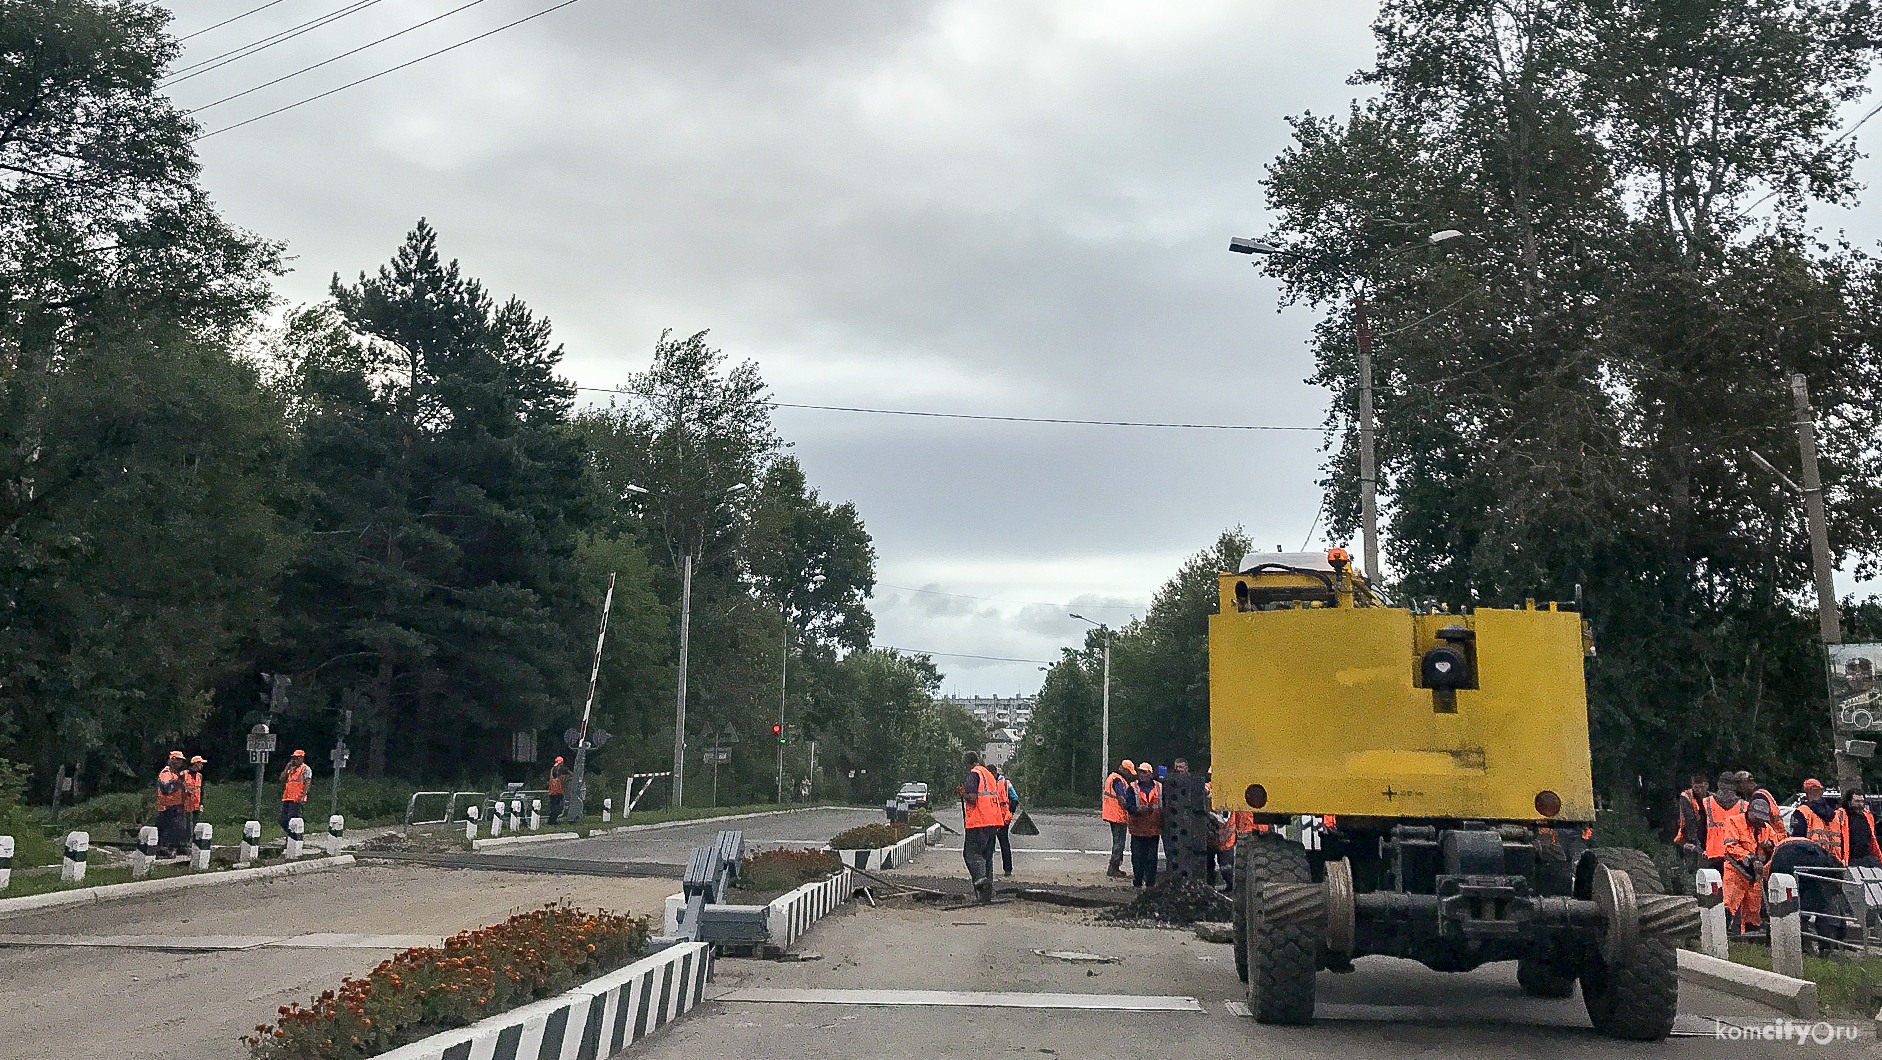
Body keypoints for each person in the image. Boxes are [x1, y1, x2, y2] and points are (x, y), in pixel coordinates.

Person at [1768, 833, 1851, 952]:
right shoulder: (1817, 851)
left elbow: (1769, 877)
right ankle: (1826, 945)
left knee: (1790, 906)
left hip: (1785, 859)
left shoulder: (1776, 854)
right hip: (1814, 859)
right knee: (1823, 905)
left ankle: (1794, 944)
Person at [958, 751, 1004, 903]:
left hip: (978, 822)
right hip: (993, 821)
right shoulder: (988, 774)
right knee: (987, 857)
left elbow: (972, 799)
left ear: (967, 763)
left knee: (971, 854)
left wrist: (962, 793)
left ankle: (981, 882)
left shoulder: (973, 774)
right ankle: (986, 895)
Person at [1716, 801, 1765, 933]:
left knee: (1753, 909)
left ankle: (1750, 941)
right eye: (1758, 819)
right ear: (1750, 814)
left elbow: (1775, 843)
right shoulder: (1734, 822)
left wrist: (1769, 845)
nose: (1760, 823)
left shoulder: (1765, 827)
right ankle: (1723, 934)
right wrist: (1750, 857)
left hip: (1755, 876)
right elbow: (1731, 846)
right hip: (1736, 869)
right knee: (1729, 903)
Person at [1123, 760, 1163, 889]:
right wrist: (1136, 810)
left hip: (1153, 829)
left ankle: (1150, 883)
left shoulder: (1159, 787)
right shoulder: (1132, 787)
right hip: (1138, 829)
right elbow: (1128, 805)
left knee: (1151, 858)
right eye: (1140, 772)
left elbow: (1165, 805)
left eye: (1144, 772)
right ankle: (1138, 881)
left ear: (1150, 774)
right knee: (1138, 858)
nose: (1142, 775)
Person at [1790, 777, 1848, 863]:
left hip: (1812, 861)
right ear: (1821, 791)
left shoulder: (1802, 812)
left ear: (1806, 792)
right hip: (1835, 862)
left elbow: (1796, 841)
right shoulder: (1835, 814)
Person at [1702, 771, 1743, 872]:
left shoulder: (1706, 803)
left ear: (1719, 785)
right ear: (1734, 787)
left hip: (1712, 854)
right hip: (1735, 856)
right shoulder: (1744, 806)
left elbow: (1700, 829)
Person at [1102, 759, 1134, 879]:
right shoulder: (1118, 780)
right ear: (1124, 770)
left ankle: (1114, 867)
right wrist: (1131, 809)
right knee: (1119, 842)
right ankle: (1113, 867)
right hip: (1117, 816)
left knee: (1118, 842)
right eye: (1129, 772)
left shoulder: (1114, 777)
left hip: (1114, 815)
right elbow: (1121, 798)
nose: (1130, 775)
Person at [1674, 772, 1710, 871]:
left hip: (1708, 834)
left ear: (1706, 785)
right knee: (1692, 864)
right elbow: (1690, 821)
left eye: (1701, 786)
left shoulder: (1712, 798)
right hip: (1689, 835)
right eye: (1696, 786)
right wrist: (1696, 844)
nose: (1698, 789)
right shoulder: (1686, 797)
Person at [155, 752, 188, 856]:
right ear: (172, 759)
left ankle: (173, 848)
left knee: (175, 828)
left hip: (175, 806)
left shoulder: (174, 773)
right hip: (167, 807)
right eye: (178, 760)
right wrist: (178, 783)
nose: (180, 762)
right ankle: (163, 848)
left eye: (181, 760)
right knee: (166, 828)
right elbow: (165, 788)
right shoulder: (166, 773)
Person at [992, 766, 1019, 877]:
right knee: (988, 844)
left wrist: (1010, 814)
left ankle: (1007, 869)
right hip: (990, 818)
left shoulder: (1005, 783)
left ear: (994, 773)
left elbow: (1015, 799)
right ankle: (987, 871)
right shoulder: (988, 783)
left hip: (1003, 819)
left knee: (1004, 843)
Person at [1844, 790, 1880, 870]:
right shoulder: (1841, 815)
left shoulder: (1868, 816)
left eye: (1862, 801)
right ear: (1849, 802)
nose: (1860, 804)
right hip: (1851, 858)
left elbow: (1873, 840)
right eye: (1857, 801)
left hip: (1867, 856)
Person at [279, 750, 313, 835]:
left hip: (297, 798)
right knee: (282, 819)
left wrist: (303, 796)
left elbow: (307, 783)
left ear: (302, 758)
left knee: (293, 818)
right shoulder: (291, 769)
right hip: (287, 797)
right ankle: (292, 834)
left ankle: (294, 837)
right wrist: (287, 767)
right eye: (293, 758)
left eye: (297, 758)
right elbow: (282, 779)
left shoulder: (305, 769)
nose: (294, 760)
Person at [182, 755, 207, 834]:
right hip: (185, 805)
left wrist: (201, 804)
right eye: (201, 763)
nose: (202, 766)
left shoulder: (200, 776)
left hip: (195, 804)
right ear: (196, 764)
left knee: (194, 825)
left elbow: (201, 791)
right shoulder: (183, 774)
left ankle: (192, 841)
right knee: (185, 825)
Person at [547, 756, 570, 824]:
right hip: (558, 791)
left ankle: (552, 820)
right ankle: (553, 821)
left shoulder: (553, 769)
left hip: (552, 791)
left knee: (553, 807)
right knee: (557, 807)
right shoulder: (559, 769)